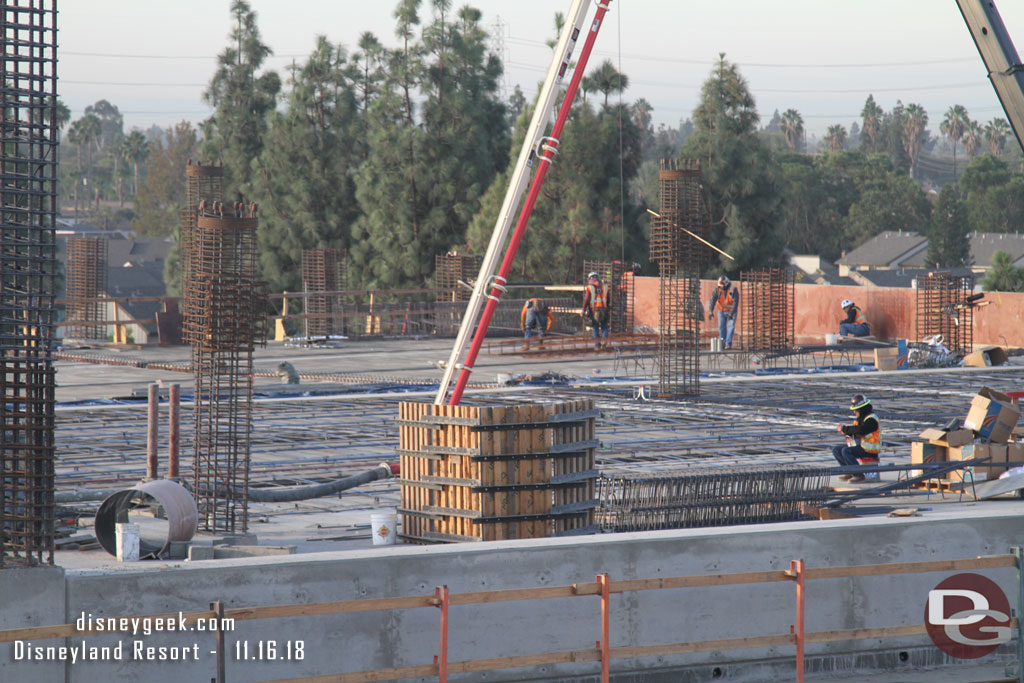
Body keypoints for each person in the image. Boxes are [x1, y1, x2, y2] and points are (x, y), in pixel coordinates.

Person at [831, 394, 881, 482]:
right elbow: (856, 431)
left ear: (861, 409)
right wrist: (848, 433)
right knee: (836, 449)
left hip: (870, 450)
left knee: (846, 451)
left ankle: (858, 474)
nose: (854, 412)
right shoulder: (862, 419)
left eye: (856, 410)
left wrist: (845, 429)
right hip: (862, 447)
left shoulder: (871, 420)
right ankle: (849, 471)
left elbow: (861, 430)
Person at [707, 275, 739, 350]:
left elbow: (735, 302)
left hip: (731, 311)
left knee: (730, 327)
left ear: (726, 284)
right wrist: (710, 311)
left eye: (722, 286)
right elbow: (712, 301)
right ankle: (722, 343)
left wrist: (732, 313)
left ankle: (728, 344)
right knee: (721, 327)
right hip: (721, 310)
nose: (721, 287)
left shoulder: (733, 289)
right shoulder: (717, 290)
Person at [582, 271, 610, 349]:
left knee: (595, 326)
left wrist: (583, 309)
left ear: (590, 278)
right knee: (604, 326)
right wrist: (607, 308)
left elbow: (586, 300)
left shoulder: (590, 287)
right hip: (604, 309)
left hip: (594, 310)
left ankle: (597, 345)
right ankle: (604, 341)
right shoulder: (605, 286)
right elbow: (608, 299)